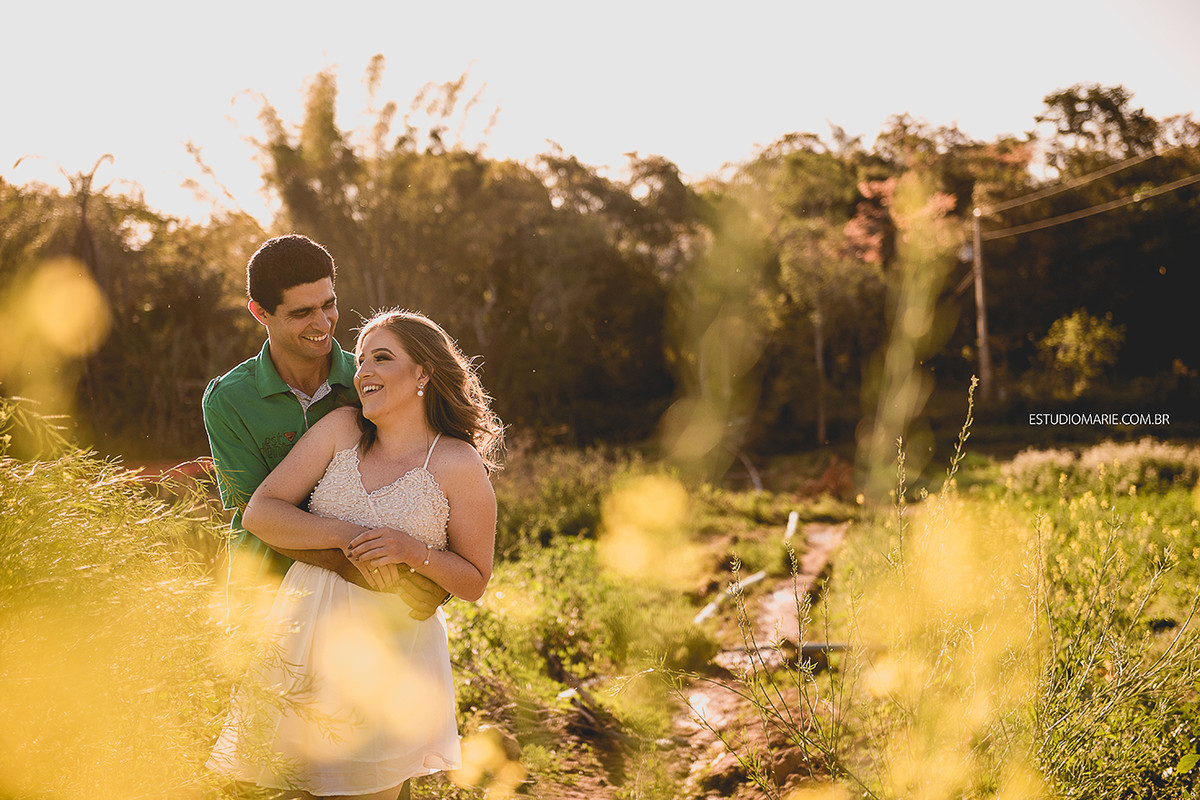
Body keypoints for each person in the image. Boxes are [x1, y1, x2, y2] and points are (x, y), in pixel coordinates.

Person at [207, 308, 503, 799]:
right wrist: (347, 536)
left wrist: (412, 551)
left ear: (423, 373)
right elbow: (261, 512)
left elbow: (474, 581)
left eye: (381, 359)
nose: (362, 372)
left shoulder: (456, 462)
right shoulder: (341, 428)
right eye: (361, 361)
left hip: (389, 657)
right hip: (300, 639)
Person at [202, 233, 447, 609]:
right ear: (260, 312)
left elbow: (432, 475)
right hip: (264, 602)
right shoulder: (229, 400)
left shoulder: (374, 380)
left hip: (369, 608)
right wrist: (356, 570)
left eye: (328, 304)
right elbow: (261, 517)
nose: (323, 323)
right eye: (302, 313)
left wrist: (432, 580)